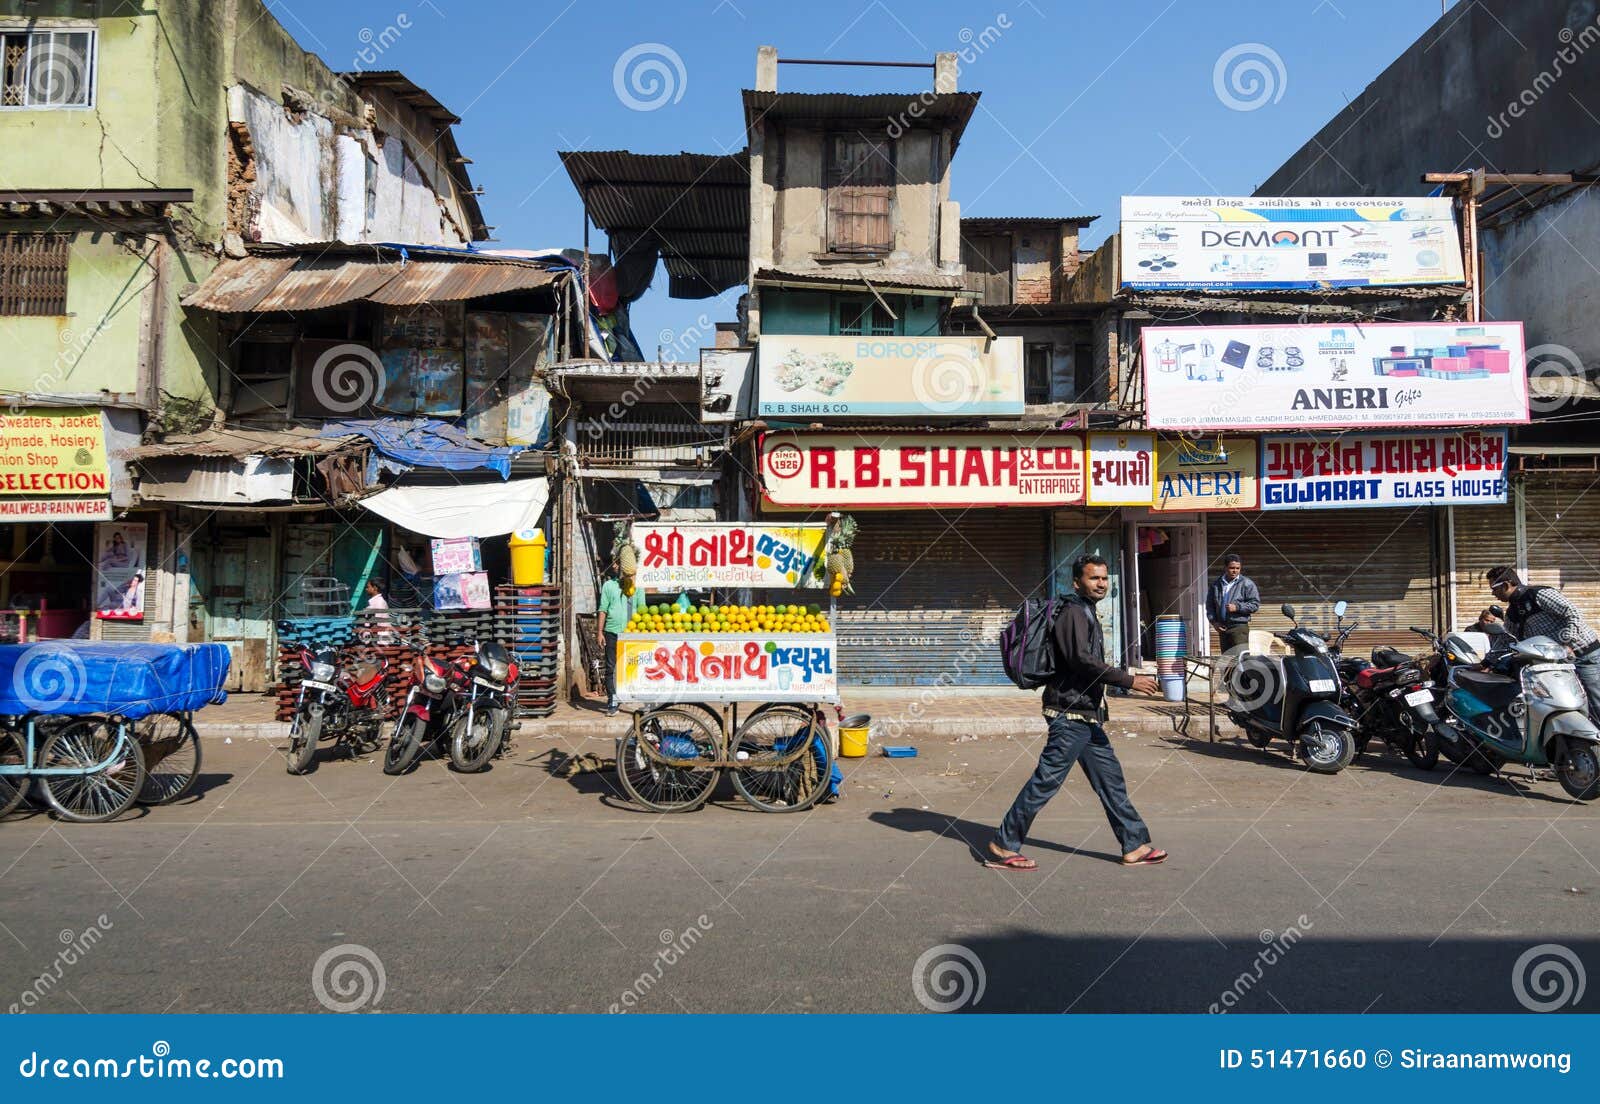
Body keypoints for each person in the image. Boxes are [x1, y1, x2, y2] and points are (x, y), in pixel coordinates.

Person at [988, 553, 1168, 871]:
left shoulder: (1087, 611)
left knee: (1110, 781)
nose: (1100, 583)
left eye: (1103, 578)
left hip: (1085, 715)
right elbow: (1080, 661)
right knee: (1046, 782)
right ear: (1077, 582)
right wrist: (1129, 680)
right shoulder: (1073, 612)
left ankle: (1134, 844)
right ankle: (1004, 844)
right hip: (1067, 713)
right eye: (1093, 578)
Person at [1487, 565, 1600, 719]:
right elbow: (1507, 638)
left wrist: (1568, 644)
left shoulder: (1539, 594)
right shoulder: (1512, 612)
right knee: (1565, 704)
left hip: (1584, 655)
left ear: (1506, 585)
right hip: (1557, 663)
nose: (1493, 594)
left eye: (1494, 589)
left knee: (1595, 703)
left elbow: (1573, 614)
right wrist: (1486, 663)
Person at [597, 559, 644, 716]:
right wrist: (600, 632)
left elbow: (642, 611)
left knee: (631, 667)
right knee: (611, 668)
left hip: (632, 635)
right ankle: (613, 700)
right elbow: (603, 609)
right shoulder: (609, 586)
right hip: (612, 632)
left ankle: (632, 696)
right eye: (618, 564)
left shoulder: (638, 588)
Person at [1206, 553, 1260, 653]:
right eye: (1232, 568)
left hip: (1239, 627)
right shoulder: (1216, 584)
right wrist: (1214, 622)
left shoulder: (1246, 583)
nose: (1235, 571)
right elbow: (1210, 606)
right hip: (1223, 627)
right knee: (1227, 661)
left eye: (1237, 568)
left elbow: (1255, 604)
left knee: (1241, 659)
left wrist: (1237, 607)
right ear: (1225, 568)